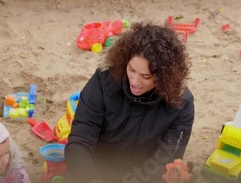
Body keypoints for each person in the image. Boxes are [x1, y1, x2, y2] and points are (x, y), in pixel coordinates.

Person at [65, 21, 195, 183]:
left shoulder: (181, 103)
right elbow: (80, 140)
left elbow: (165, 159)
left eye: (146, 76)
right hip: (95, 168)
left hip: (142, 175)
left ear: (164, 77)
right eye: (131, 70)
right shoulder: (104, 80)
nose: (135, 81)